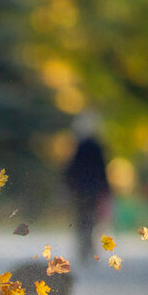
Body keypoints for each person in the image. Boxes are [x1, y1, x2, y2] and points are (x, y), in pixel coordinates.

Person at [64, 112, 111, 262]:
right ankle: (87, 247)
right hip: (93, 189)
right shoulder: (97, 146)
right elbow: (102, 169)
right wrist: (106, 189)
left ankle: (83, 248)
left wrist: (68, 186)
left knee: (82, 219)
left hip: (81, 190)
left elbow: (71, 169)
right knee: (90, 219)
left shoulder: (78, 147)